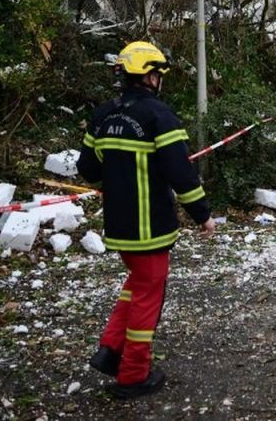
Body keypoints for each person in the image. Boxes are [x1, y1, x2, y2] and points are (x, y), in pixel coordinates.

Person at [76, 41, 216, 398]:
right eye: (158, 74)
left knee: (137, 283)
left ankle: (110, 350)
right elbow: (180, 174)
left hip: (119, 228)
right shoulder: (159, 116)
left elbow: (88, 168)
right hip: (151, 227)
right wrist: (203, 216)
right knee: (148, 298)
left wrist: (119, 177)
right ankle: (133, 375)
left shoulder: (104, 114)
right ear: (151, 76)